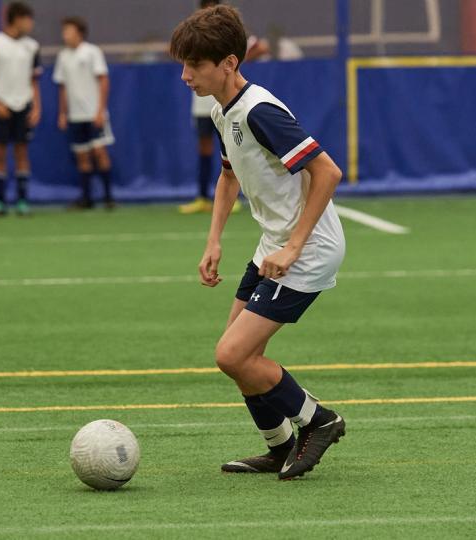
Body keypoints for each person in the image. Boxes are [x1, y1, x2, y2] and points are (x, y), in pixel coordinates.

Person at [170, 5, 347, 480]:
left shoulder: (260, 111)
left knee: (233, 354)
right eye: (183, 65)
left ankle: (320, 421)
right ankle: (278, 446)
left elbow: (327, 172)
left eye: (195, 65)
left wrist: (292, 248)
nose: (186, 75)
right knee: (234, 354)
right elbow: (228, 177)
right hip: (274, 242)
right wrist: (214, 240)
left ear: (228, 63)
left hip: (306, 249)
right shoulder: (220, 109)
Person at [0, 1, 41, 216]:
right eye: (27, 19)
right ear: (16, 19)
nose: (30, 24)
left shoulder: (32, 46)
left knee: (22, 152)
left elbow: (34, 81)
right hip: (1, 107)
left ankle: (22, 201)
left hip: (24, 105)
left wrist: (37, 107)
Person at [178, 0, 240, 215]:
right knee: (204, 148)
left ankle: (233, 197)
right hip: (203, 108)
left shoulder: (225, 40)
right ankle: (203, 196)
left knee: (233, 150)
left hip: (226, 105)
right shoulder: (193, 39)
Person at [54, 16, 116, 210]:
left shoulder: (92, 52)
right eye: (64, 31)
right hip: (75, 115)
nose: (65, 35)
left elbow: (103, 81)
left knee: (99, 152)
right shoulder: (63, 56)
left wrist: (100, 111)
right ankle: (87, 198)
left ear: (79, 32)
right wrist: (63, 113)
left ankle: (108, 198)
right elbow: (62, 87)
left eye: (69, 31)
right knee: (82, 156)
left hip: (93, 113)